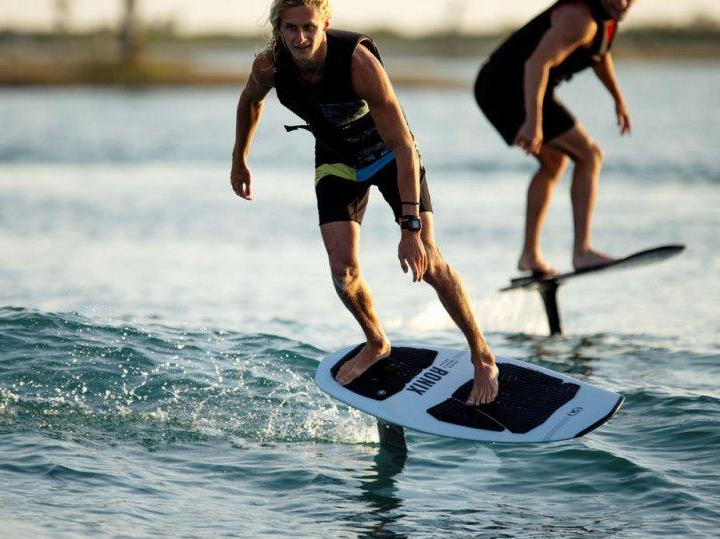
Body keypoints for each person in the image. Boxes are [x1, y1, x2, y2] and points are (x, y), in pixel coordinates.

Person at [230, 0, 498, 405]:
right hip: (337, 159)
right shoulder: (270, 66)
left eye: (308, 27)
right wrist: (240, 160)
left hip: (390, 155)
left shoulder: (357, 61)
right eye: (290, 29)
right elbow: (251, 100)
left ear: (326, 23)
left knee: (429, 258)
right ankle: (376, 342)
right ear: (279, 29)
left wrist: (410, 228)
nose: (300, 38)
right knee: (344, 271)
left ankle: (482, 354)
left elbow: (404, 147)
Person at [475, 0, 634, 276]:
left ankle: (529, 255)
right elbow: (537, 64)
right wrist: (533, 123)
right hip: (505, 89)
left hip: (512, 87)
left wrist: (617, 98)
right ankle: (582, 251)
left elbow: (599, 55)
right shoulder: (579, 19)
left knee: (554, 163)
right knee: (590, 156)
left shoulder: (605, 20)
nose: (622, 2)